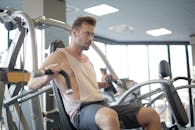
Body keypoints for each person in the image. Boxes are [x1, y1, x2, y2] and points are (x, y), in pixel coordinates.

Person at [28, 16, 161, 130]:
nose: (91, 38)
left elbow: (89, 86)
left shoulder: (87, 59)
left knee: (151, 114)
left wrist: (105, 82)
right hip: (81, 112)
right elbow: (31, 84)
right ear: (74, 33)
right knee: (109, 117)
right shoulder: (58, 56)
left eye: (92, 35)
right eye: (87, 33)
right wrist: (48, 77)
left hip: (102, 106)